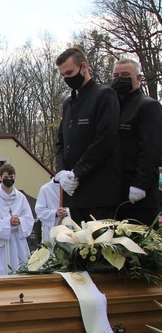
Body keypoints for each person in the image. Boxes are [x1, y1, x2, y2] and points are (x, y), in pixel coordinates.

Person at [54, 47, 122, 223]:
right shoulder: (68, 104)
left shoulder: (104, 95)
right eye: (63, 75)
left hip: (99, 191)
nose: (67, 78)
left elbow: (104, 140)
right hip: (75, 194)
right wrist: (61, 172)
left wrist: (77, 172)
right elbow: (61, 144)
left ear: (84, 67)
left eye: (70, 72)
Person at [111, 58, 162, 225]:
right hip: (114, 191)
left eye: (125, 75)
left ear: (138, 78)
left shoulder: (148, 106)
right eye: (116, 75)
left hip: (139, 195)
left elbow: (151, 149)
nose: (120, 79)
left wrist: (140, 184)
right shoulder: (112, 107)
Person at [0, 164, 35, 275]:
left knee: (20, 269)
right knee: (2, 271)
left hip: (18, 239)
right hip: (1, 242)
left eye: (12, 177)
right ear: (0, 178)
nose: (9, 180)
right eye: (6, 177)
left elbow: (29, 218)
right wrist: (8, 222)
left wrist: (19, 221)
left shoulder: (20, 197)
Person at [35, 178, 69, 246]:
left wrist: (67, 212)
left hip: (69, 228)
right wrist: (55, 213)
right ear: (54, 168)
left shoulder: (71, 187)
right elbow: (39, 210)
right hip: (51, 230)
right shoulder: (45, 189)